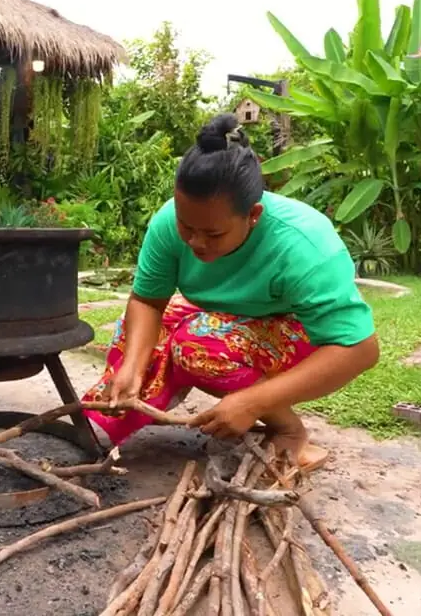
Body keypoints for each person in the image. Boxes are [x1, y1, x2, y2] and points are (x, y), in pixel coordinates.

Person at [82, 113, 379, 472]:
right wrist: (132, 365)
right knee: (141, 335)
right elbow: (148, 300)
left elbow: (359, 348)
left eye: (213, 234)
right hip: (224, 320)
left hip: (297, 334)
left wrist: (253, 403)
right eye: (185, 226)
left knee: (195, 343)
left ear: (253, 215)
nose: (195, 242)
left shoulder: (303, 244)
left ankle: (288, 429)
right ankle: (109, 421)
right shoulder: (166, 224)